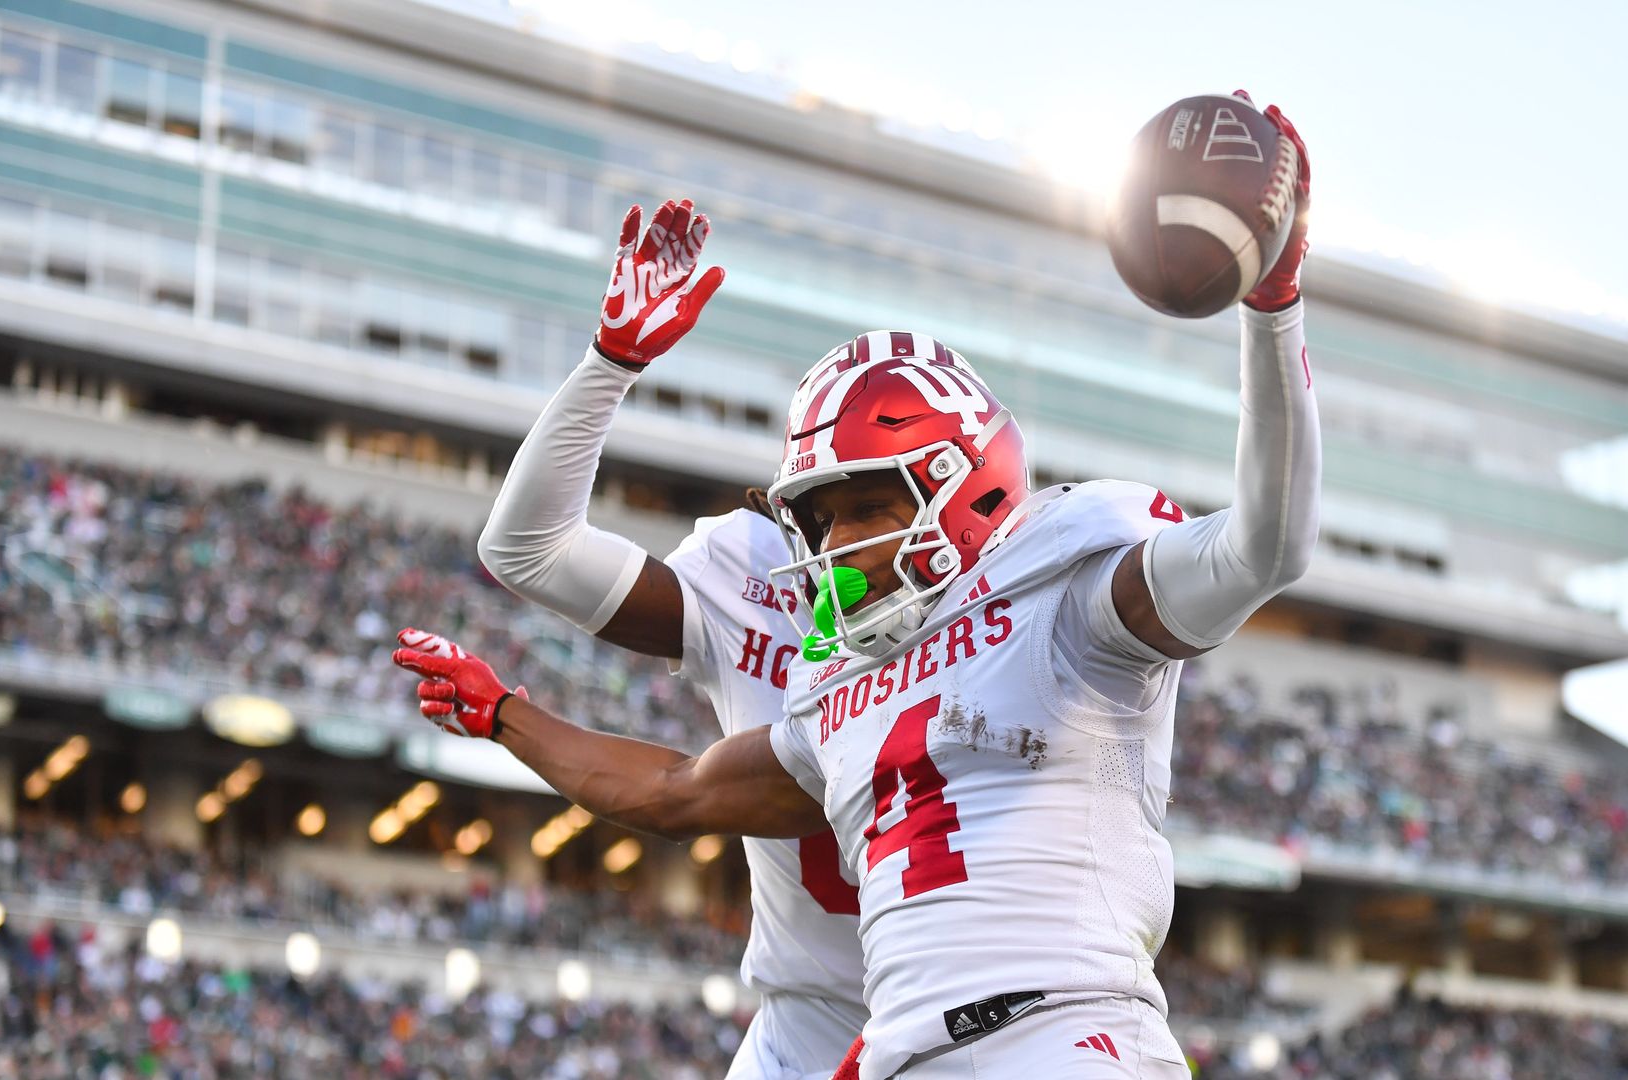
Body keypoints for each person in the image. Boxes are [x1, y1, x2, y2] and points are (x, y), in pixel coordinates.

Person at [397, 96, 1319, 1079]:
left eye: (865, 505)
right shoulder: (839, 684)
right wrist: (504, 716)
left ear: (971, 484)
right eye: (821, 515)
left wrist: (1273, 304)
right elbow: (676, 790)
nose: (833, 544)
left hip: (1059, 1038)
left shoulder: (1067, 588)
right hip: (892, 1048)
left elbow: (1265, 547)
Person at [462, 199, 866, 1080]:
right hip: (801, 1029)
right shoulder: (756, 568)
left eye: (886, 496)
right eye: (840, 494)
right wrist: (608, 364)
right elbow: (525, 550)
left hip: (966, 1020)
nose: (857, 531)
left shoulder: (994, 605)